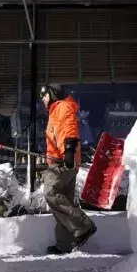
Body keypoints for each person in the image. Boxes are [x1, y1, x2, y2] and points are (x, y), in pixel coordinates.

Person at [39, 84, 97, 254]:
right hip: (61, 160)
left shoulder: (62, 107)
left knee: (50, 193)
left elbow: (69, 128)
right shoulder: (54, 111)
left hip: (63, 161)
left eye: (44, 95)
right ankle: (65, 244)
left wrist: (69, 151)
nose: (42, 98)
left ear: (53, 94)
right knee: (64, 200)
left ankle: (83, 226)